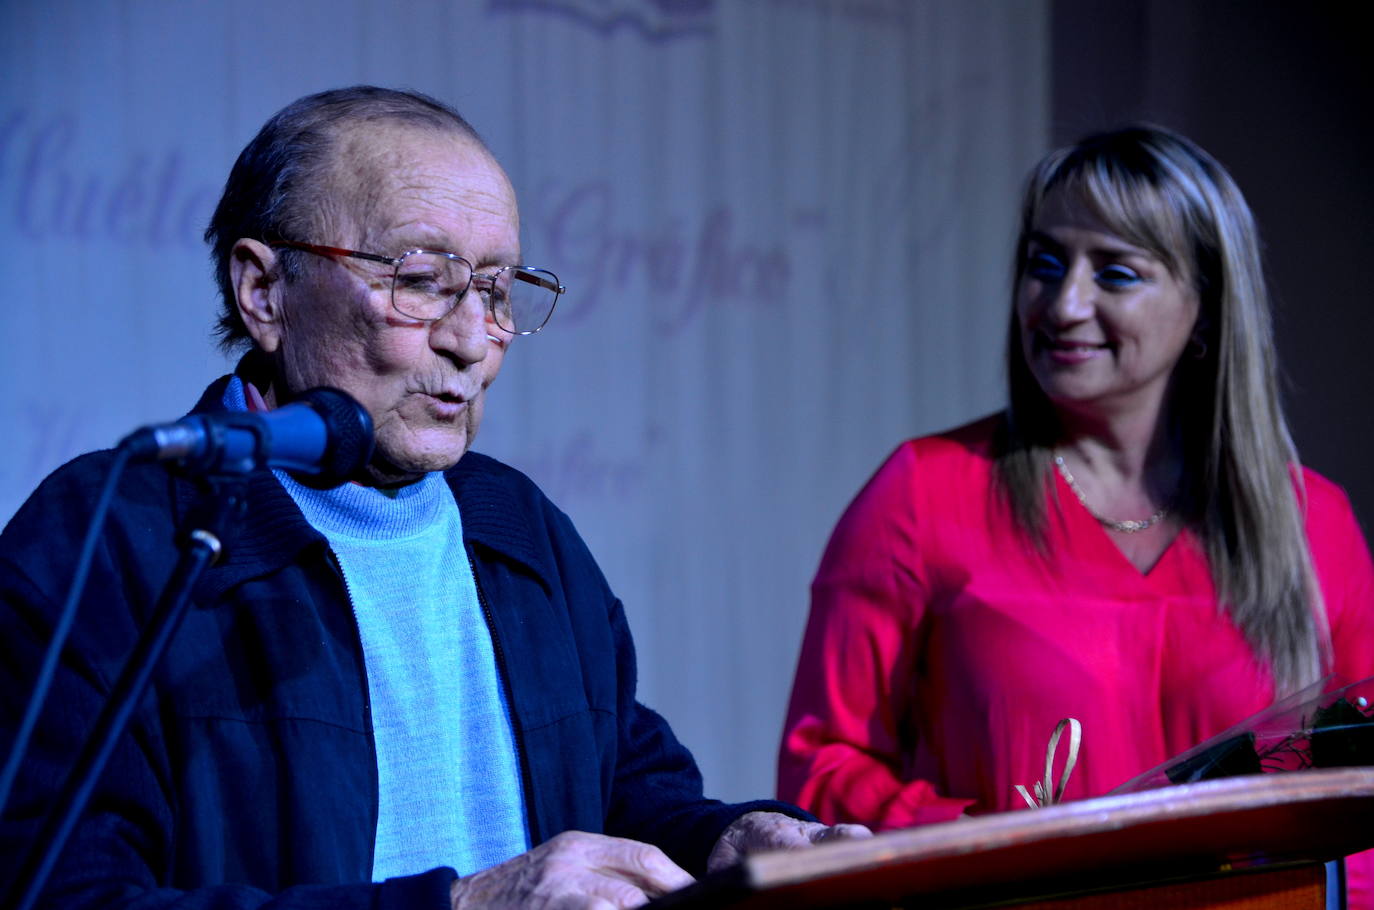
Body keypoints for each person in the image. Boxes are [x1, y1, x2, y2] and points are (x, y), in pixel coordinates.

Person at [0, 86, 867, 910]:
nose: (470, 341)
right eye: (420, 279)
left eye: (496, 290)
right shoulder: (109, 543)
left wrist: (728, 843)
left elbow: (630, 795)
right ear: (263, 291)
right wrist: (458, 904)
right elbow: (62, 893)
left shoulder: (522, 531)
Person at [777, 125, 1374, 904]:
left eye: (1116, 273)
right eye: (1044, 264)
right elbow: (820, 767)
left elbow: (1360, 793)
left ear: (1205, 309)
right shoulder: (921, 494)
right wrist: (991, 845)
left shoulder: (1314, 521)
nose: (1064, 303)